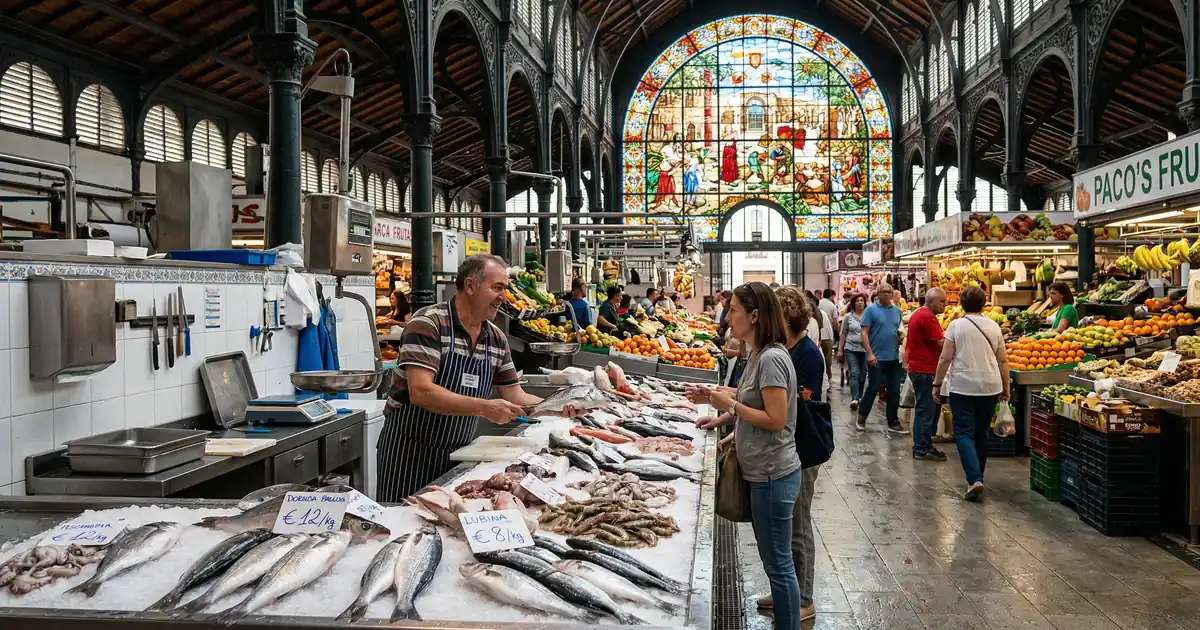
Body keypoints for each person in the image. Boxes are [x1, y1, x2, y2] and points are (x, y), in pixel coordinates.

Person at [378, 254, 546, 501]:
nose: (503, 297)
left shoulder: (496, 339)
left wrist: (557, 408)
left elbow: (514, 395)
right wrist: (485, 408)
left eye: (505, 289)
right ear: (470, 286)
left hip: (460, 455)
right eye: (497, 288)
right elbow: (421, 391)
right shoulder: (428, 324)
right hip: (409, 456)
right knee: (407, 527)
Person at [690, 282, 802, 630]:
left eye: (734, 309)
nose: (727, 316)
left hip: (773, 475)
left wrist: (730, 404)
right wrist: (723, 411)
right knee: (774, 562)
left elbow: (776, 419)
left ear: (754, 315)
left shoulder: (771, 358)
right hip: (761, 471)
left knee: (779, 565)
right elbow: (755, 399)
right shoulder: (755, 354)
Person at [757, 285, 824, 622]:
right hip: (786, 449)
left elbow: (795, 405)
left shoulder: (808, 354)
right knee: (784, 529)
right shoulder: (785, 348)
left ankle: (805, 597)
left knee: (798, 525)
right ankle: (786, 589)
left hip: (802, 451)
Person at [933, 285, 1010, 501]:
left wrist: (937, 384)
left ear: (960, 303)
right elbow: (1003, 359)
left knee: (963, 432)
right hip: (990, 386)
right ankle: (978, 477)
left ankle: (974, 478)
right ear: (984, 303)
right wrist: (1006, 386)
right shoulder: (994, 326)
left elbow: (946, 358)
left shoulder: (956, 326)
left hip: (963, 386)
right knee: (982, 432)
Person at [857, 283, 909, 434]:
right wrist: (870, 353)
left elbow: (898, 329)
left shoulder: (897, 311)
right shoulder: (871, 310)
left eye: (889, 292)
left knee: (894, 391)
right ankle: (862, 416)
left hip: (893, 356)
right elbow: (864, 333)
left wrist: (901, 337)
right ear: (878, 293)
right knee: (873, 387)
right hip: (877, 357)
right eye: (883, 292)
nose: (886, 294)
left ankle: (893, 421)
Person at [907, 288, 948, 460]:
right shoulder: (927, 317)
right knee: (926, 410)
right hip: (925, 369)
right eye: (942, 302)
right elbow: (941, 344)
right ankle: (922, 448)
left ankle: (923, 446)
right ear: (931, 302)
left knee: (924, 409)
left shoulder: (919, 314)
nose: (945, 305)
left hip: (919, 368)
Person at [839, 294, 868, 410]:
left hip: (866, 349)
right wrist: (840, 350)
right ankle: (855, 398)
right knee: (854, 373)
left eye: (862, 300)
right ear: (853, 303)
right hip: (851, 348)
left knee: (863, 374)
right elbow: (843, 333)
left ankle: (860, 396)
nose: (860, 303)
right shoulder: (848, 317)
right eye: (857, 301)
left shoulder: (869, 316)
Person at [815, 292, 835, 389]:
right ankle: (827, 376)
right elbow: (833, 322)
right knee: (827, 361)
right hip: (826, 338)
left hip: (822, 339)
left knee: (823, 360)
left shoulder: (818, 313)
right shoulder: (829, 307)